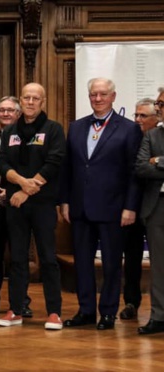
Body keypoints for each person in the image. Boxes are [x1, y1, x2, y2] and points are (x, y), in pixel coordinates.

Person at [60, 77, 142, 330]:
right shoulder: (76, 127)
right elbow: (68, 169)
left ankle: (108, 312)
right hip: (80, 207)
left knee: (111, 263)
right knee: (82, 263)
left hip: (114, 209)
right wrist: (64, 201)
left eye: (103, 94)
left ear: (113, 97)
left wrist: (130, 207)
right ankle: (86, 310)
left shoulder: (129, 129)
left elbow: (134, 173)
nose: (97, 98)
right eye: (93, 94)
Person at [0, 83, 65, 330]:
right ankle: (15, 309)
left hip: (43, 204)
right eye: (27, 97)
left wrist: (27, 190)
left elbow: (54, 161)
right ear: (21, 102)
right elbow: (2, 163)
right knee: (17, 259)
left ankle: (54, 312)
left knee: (47, 258)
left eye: (36, 98)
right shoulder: (9, 132)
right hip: (16, 205)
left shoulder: (53, 129)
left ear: (43, 102)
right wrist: (22, 184)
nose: (31, 102)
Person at [0, 96, 33, 318]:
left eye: (10, 110)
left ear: (19, 113)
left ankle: (21, 301)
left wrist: (12, 191)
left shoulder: (27, 136)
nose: (5, 114)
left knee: (19, 255)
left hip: (19, 202)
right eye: (1, 110)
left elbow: (29, 168)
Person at [119, 98, 158, 320]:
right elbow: (136, 169)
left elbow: (147, 170)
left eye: (143, 116)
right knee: (131, 257)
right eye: (136, 115)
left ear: (156, 117)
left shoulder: (159, 138)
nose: (137, 120)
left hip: (155, 207)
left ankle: (158, 307)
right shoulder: (130, 136)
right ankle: (131, 302)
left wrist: (152, 164)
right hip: (132, 206)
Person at [135, 88, 164, 335]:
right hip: (158, 206)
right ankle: (158, 316)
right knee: (159, 265)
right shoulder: (152, 135)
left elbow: (153, 164)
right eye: (159, 103)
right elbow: (142, 168)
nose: (159, 108)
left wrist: (160, 161)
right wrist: (153, 162)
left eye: (162, 103)